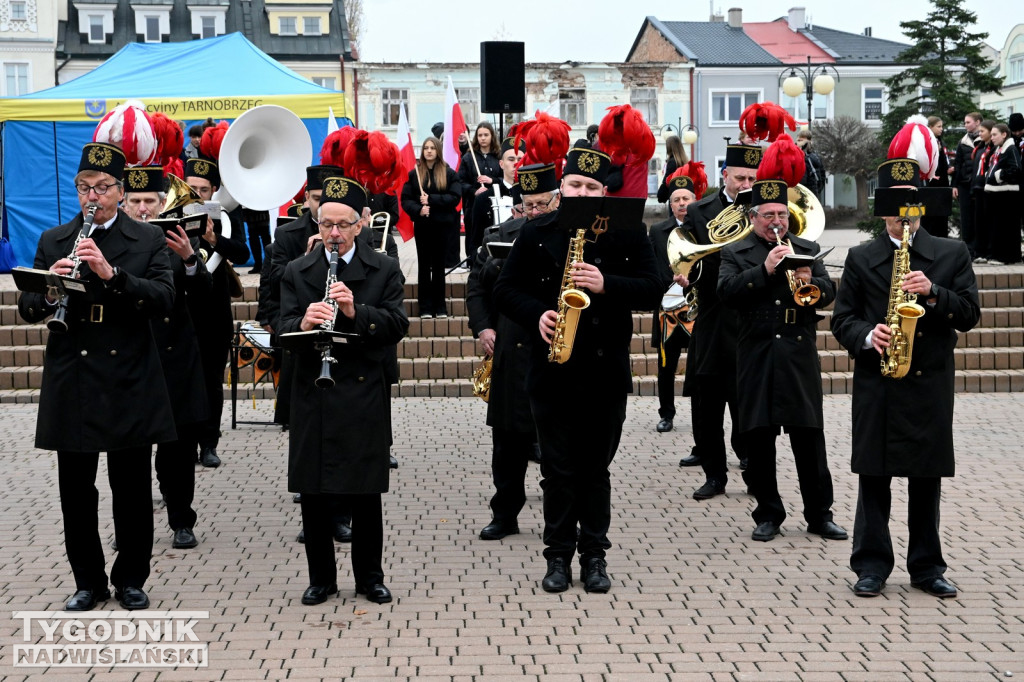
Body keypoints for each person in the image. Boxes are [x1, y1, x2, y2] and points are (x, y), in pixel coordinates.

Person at [493, 139, 663, 594]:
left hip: (605, 372)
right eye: (576, 184)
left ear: (603, 193)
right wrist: (538, 314)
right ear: (562, 187)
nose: (583, 192)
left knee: (595, 469)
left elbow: (653, 288)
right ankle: (557, 556)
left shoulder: (628, 232)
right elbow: (505, 291)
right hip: (551, 369)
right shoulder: (536, 230)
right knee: (557, 469)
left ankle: (594, 556)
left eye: (592, 186)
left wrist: (607, 283)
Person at [17, 143, 176, 611]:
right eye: (85, 188)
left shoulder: (145, 240)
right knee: (76, 490)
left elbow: (164, 298)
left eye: (103, 188)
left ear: (121, 192)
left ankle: (130, 577)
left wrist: (112, 274)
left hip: (128, 372)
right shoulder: (55, 238)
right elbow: (27, 306)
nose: (94, 197)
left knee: (130, 487)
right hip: (75, 374)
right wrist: (50, 288)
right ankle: (87, 580)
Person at [831, 156, 980, 598]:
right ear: (882, 214)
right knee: (873, 476)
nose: (902, 220)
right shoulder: (860, 257)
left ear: (920, 211)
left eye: (909, 211)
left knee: (926, 477)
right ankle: (871, 565)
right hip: (878, 380)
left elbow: (970, 314)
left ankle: (927, 567)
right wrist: (866, 334)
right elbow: (843, 321)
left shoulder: (951, 253)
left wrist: (934, 292)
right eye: (894, 213)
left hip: (928, 382)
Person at [278, 174, 408, 606]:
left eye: (342, 225)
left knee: (365, 492)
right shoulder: (298, 271)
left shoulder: (384, 267)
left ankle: (370, 577)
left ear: (359, 226)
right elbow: (279, 329)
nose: (333, 233)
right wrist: (302, 324)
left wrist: (356, 311)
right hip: (313, 391)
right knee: (314, 492)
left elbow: (396, 326)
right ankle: (321, 579)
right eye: (325, 224)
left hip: (362, 391)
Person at [717, 135, 846, 544]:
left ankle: (819, 514)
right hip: (755, 351)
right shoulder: (736, 253)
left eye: (782, 214)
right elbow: (726, 293)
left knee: (809, 438)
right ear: (753, 217)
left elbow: (829, 292)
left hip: (797, 351)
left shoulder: (807, 247)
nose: (777, 222)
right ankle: (769, 512)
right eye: (768, 214)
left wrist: (814, 284)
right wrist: (765, 271)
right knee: (760, 438)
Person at [466, 153, 569, 543]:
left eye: (543, 204)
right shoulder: (499, 234)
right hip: (510, 346)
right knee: (506, 443)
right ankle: (504, 514)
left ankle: (557, 519)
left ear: (557, 200)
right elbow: (477, 289)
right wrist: (483, 328)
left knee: (553, 445)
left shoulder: (568, 236)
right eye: (528, 206)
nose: (535, 211)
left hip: (554, 348)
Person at [122, 165, 210, 551]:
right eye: (136, 201)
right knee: (130, 454)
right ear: (123, 203)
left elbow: (206, 297)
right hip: (131, 358)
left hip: (175, 359)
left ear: (162, 203)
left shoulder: (175, 240)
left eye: (150, 201)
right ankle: (129, 527)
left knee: (178, 448)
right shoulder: (111, 243)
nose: (143, 209)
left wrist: (191, 259)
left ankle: (181, 520)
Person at [675, 144, 759, 496]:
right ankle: (714, 475)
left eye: (752, 178)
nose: (746, 184)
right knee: (706, 407)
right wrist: (687, 276)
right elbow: (689, 258)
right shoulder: (699, 210)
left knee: (748, 408)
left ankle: (755, 474)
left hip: (748, 319)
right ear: (725, 175)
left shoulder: (763, 209)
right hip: (711, 318)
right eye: (740, 177)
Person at [184, 152, 250, 468]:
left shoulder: (226, 217)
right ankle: (183, 440)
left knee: (211, 380)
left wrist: (216, 239)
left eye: (203, 189)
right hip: (182, 311)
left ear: (213, 191)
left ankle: (208, 444)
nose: (197, 194)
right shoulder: (174, 214)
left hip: (214, 313)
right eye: (190, 187)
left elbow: (243, 251)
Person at [647, 163, 706, 434]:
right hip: (668, 305)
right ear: (670, 205)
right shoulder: (658, 231)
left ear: (695, 202)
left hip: (698, 305)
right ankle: (666, 413)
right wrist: (669, 278)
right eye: (677, 200)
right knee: (665, 363)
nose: (682, 204)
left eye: (686, 199)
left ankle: (700, 414)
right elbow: (653, 263)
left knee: (699, 364)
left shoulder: (704, 227)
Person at [400, 136, 462, 319]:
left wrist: (431, 200)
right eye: (426, 147)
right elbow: (405, 199)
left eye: (432, 148)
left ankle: (440, 307)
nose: (428, 151)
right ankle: (425, 308)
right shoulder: (415, 174)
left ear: (438, 150)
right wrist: (419, 210)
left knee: (439, 266)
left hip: (442, 227)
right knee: (424, 266)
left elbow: (455, 197)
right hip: (423, 227)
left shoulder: (448, 173)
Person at [459, 122, 502, 268]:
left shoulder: (499, 156)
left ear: (492, 136)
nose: (483, 138)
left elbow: (507, 179)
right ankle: (473, 263)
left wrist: (493, 180)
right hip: (474, 204)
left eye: (486, 135)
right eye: (480, 135)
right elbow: (460, 181)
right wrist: (473, 191)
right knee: (473, 233)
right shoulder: (468, 158)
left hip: (495, 204)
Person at [983, 122, 1022, 265]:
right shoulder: (999, 150)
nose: (991, 137)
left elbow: (1016, 169)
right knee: (997, 226)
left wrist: (998, 175)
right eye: (991, 134)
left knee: (1005, 227)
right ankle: (998, 255)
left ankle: (1005, 257)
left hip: (1006, 195)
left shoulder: (1010, 149)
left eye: (995, 134)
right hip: (997, 194)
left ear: (1004, 134)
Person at [951, 112, 983, 258]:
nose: (965, 125)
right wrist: (955, 185)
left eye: (968, 122)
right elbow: (957, 164)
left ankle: (979, 249)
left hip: (978, 185)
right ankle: (968, 250)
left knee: (979, 217)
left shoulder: (984, 139)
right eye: (964, 122)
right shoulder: (963, 142)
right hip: (964, 185)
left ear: (977, 122)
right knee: (966, 218)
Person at [969, 119, 996, 263]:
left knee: (988, 221)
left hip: (987, 189)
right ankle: (980, 251)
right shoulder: (979, 148)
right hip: (977, 189)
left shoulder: (993, 149)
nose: (979, 134)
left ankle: (989, 251)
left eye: (982, 131)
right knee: (978, 222)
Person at [921, 117, 951, 239]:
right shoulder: (926, 142)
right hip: (931, 185)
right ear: (930, 127)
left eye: (942, 126)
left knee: (942, 218)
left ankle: (942, 241)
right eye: (938, 126)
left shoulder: (939, 141)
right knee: (931, 218)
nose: (941, 129)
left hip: (942, 184)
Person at [655, 135, 690, 203]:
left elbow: (667, 181)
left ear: (669, 147)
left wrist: (660, 195)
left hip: (674, 197)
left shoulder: (672, 162)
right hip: (685, 196)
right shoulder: (685, 163)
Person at [796, 129, 826, 201]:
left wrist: (816, 191)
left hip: (811, 194)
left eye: (802, 141)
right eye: (798, 140)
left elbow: (821, 177)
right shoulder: (794, 154)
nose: (800, 143)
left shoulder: (814, 157)